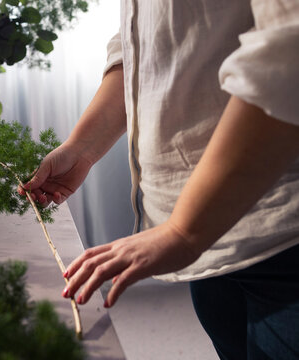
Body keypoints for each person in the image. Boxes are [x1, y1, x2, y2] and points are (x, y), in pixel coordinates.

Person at [19, 1, 299, 359]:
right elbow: (141, 43)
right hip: (205, 235)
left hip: (281, 233)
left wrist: (183, 231)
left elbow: (288, 51)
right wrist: (82, 147)